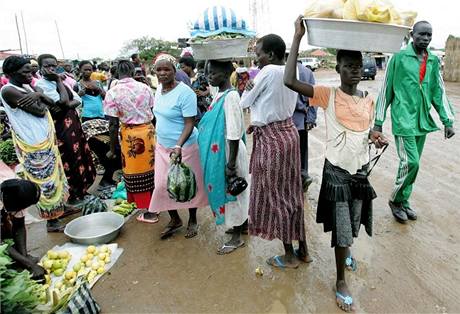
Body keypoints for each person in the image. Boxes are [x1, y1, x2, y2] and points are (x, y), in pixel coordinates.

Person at [284, 16, 389, 313]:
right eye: (349, 66)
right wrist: (297, 37)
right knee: (343, 230)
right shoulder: (328, 95)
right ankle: (341, 281)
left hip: (360, 172)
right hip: (337, 173)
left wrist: (375, 136)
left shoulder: (368, 98)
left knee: (352, 226)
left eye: (358, 66)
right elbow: (289, 81)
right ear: (338, 68)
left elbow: (363, 130)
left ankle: (346, 255)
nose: (355, 71)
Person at [240, 34, 311, 269]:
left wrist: (248, 87)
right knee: (292, 192)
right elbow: (273, 104)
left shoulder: (268, 71)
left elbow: (244, 103)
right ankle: (304, 249)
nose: (256, 57)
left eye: (258, 52)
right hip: (289, 132)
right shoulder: (294, 71)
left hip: (272, 139)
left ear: (270, 54)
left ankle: (289, 255)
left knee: (276, 196)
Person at [373, 20, 455, 223]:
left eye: (429, 35)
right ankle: (395, 199)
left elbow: (438, 92)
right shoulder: (398, 58)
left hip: (422, 121)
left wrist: (447, 120)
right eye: (422, 35)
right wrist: (378, 121)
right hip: (403, 119)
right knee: (411, 162)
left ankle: (404, 200)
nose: (426, 39)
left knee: (414, 165)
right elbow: (386, 90)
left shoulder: (434, 61)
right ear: (412, 35)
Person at [0, 56, 69, 232]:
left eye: (30, 70)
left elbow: (53, 104)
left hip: (44, 139)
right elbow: (40, 111)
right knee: (43, 181)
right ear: (11, 74)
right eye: (25, 71)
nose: (30, 74)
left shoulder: (27, 86)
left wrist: (37, 93)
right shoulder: (8, 91)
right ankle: (51, 221)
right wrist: (39, 96)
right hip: (32, 142)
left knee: (55, 176)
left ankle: (60, 208)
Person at [147, 54, 208, 239]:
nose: (163, 73)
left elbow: (190, 123)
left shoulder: (185, 93)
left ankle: (192, 219)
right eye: (159, 69)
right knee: (161, 185)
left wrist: (178, 145)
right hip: (163, 147)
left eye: (167, 69)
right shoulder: (158, 90)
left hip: (184, 146)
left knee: (187, 185)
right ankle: (175, 219)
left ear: (175, 71)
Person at [198, 60, 249, 254]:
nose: (210, 75)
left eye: (215, 72)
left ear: (228, 71)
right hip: (222, 152)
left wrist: (230, 164)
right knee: (234, 191)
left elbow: (234, 132)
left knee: (233, 192)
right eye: (208, 72)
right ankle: (242, 226)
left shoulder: (231, 96)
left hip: (229, 152)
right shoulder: (218, 94)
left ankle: (236, 238)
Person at [36, 54, 96, 206]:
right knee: (68, 159)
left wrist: (66, 104)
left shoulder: (63, 83)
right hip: (60, 129)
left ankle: (83, 192)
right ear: (40, 68)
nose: (51, 69)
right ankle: (73, 195)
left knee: (80, 156)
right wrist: (58, 82)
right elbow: (62, 101)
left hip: (73, 126)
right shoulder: (40, 85)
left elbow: (77, 100)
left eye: (53, 66)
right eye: (47, 66)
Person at [103, 60, 157, 220]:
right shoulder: (145, 88)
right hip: (148, 133)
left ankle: (149, 211)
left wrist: (112, 149)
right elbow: (154, 112)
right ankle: (157, 205)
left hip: (130, 136)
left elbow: (112, 124)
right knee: (153, 170)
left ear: (116, 73)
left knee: (135, 173)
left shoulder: (113, 92)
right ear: (134, 72)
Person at [1, 179, 45, 281]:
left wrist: (24, 257)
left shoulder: (17, 189)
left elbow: (19, 225)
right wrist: (29, 264)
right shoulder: (9, 194)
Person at [291, 58, 316, 191]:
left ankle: (293, 181)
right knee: (302, 152)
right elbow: (313, 97)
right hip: (301, 121)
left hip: (285, 121)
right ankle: (303, 177)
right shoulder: (307, 72)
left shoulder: (282, 71)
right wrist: (311, 119)